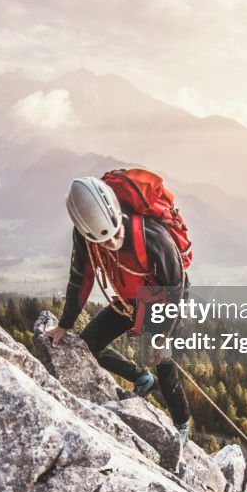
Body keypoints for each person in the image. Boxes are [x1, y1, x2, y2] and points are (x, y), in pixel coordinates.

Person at [45, 176, 191, 446]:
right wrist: (64, 325)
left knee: (162, 360)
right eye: (105, 242)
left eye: (116, 236)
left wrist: (164, 338)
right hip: (127, 299)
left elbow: (175, 288)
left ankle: (181, 423)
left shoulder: (153, 236)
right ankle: (141, 378)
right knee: (88, 345)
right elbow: (80, 278)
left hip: (161, 299)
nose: (112, 244)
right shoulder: (85, 237)